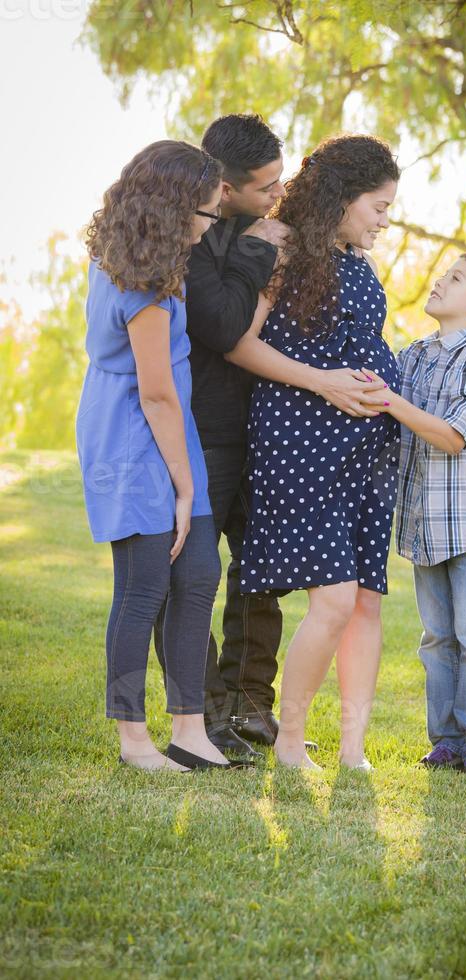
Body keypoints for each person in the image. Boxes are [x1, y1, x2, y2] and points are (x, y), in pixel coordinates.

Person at [154, 115, 387, 759]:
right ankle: (195, 717)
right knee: (192, 574)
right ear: (225, 189)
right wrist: (262, 248)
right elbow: (228, 333)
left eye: (283, 182)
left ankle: (248, 705)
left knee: (260, 578)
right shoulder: (196, 241)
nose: (279, 196)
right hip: (206, 429)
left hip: (269, 430)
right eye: (266, 186)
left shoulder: (290, 238)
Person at [76, 140, 252, 772]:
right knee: (144, 586)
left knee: (199, 571)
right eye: (206, 216)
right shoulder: (144, 279)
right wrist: (183, 486)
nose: (209, 230)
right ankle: (133, 739)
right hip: (135, 439)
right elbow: (154, 392)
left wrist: (186, 478)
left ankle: (190, 731)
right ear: (176, 208)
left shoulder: (151, 258)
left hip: (173, 437)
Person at [226, 134, 401, 770]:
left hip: (364, 448)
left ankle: (353, 745)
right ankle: (291, 740)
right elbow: (241, 345)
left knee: (364, 602)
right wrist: (324, 382)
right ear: (343, 196)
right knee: (331, 600)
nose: (385, 220)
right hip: (302, 440)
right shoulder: (281, 248)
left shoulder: (357, 260)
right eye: (378, 207)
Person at [368, 252, 466, 773]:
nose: (439, 280)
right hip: (425, 522)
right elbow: (389, 406)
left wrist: (388, 400)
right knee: (437, 639)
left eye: (454, 279)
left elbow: (452, 436)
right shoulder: (417, 354)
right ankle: (448, 739)